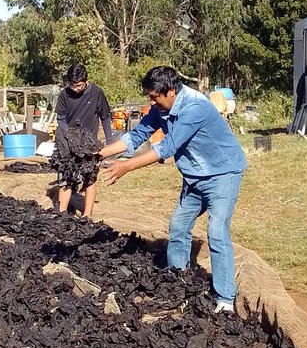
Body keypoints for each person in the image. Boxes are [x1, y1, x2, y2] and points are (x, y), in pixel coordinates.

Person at [100, 65, 247, 313]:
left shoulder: (194, 107)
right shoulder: (161, 108)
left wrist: (126, 167)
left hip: (222, 173)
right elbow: (135, 137)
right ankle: (177, 280)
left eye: (154, 96)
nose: (151, 101)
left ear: (170, 91)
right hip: (194, 176)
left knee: (217, 231)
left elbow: (165, 148)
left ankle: (225, 300)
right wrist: (98, 153)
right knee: (178, 225)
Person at [54, 63, 114, 218]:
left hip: (89, 142)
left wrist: (110, 142)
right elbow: (60, 118)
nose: (75, 89)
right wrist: (69, 135)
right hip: (67, 141)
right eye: (72, 85)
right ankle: (62, 214)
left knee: (89, 178)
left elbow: (105, 117)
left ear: (86, 81)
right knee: (66, 176)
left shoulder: (96, 92)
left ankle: (87, 215)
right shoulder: (64, 95)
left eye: (79, 85)